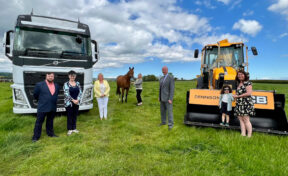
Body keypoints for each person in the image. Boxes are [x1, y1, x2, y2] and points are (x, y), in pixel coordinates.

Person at [32, 72, 59, 142]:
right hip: (43, 106)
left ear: (54, 77)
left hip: (52, 107)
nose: (50, 77)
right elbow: (35, 95)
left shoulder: (56, 85)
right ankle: (35, 137)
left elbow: (56, 95)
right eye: (49, 76)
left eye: (52, 76)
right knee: (39, 122)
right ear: (46, 76)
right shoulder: (39, 85)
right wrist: (42, 101)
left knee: (50, 121)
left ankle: (50, 134)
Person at [233, 70, 255, 137]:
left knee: (246, 119)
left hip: (246, 103)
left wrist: (238, 96)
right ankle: (243, 133)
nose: (240, 76)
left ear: (245, 75)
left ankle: (249, 135)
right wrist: (234, 96)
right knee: (240, 119)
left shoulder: (248, 83)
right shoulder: (239, 83)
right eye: (239, 74)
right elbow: (238, 93)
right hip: (239, 103)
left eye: (242, 74)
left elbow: (249, 93)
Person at [63, 70, 82, 136]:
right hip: (69, 103)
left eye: (73, 76)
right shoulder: (66, 84)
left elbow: (80, 92)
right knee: (69, 116)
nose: (72, 77)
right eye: (71, 76)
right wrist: (73, 100)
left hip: (77, 102)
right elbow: (66, 93)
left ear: (75, 76)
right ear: (69, 76)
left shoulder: (78, 83)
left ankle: (74, 128)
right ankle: (69, 129)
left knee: (75, 115)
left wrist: (78, 100)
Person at [159, 66, 175, 130]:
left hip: (168, 98)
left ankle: (170, 124)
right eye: (163, 70)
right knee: (162, 111)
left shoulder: (170, 78)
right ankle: (163, 122)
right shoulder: (161, 78)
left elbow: (172, 89)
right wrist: (159, 97)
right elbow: (160, 89)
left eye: (165, 70)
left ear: (167, 70)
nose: (163, 71)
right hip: (162, 98)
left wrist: (170, 98)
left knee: (169, 112)